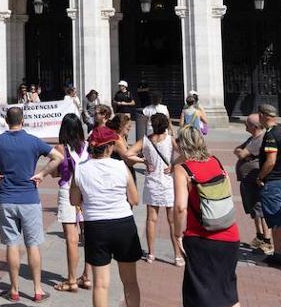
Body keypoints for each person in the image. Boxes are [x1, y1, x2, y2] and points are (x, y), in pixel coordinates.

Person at [0, 105, 63, 301]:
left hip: (5, 198)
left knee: (12, 245)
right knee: (33, 245)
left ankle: (14, 290)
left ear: (6, 121)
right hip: (29, 198)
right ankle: (37, 290)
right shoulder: (33, 141)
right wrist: (42, 174)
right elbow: (58, 157)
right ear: (22, 121)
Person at [71, 126, 142, 307]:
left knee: (101, 285)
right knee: (130, 281)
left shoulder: (80, 169)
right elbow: (134, 199)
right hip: (123, 224)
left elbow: (73, 200)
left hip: (96, 226)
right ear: (110, 146)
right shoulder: (120, 166)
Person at [173, 125, 241, 307]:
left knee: (200, 293)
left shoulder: (183, 170)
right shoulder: (216, 162)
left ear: (181, 144)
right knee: (228, 291)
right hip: (230, 234)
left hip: (201, 238)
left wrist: (177, 234)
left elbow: (180, 207)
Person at [53, 112, 91, 293]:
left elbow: (54, 172)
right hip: (87, 192)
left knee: (71, 238)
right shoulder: (88, 147)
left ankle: (71, 279)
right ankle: (87, 276)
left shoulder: (60, 148)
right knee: (89, 236)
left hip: (68, 190)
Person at [142, 112, 184, 265]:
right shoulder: (170, 140)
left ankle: (151, 254)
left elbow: (128, 153)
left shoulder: (146, 140)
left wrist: (144, 161)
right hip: (167, 182)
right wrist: (173, 165)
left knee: (151, 219)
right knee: (172, 221)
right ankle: (177, 255)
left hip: (152, 181)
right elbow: (185, 154)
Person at [256, 103, 281, 267]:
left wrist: (260, 176)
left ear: (263, 116)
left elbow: (270, 161)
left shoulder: (271, 135)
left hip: (273, 181)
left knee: (276, 218)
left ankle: (277, 254)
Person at [233, 113, 272, 254]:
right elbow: (237, 150)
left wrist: (244, 153)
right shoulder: (252, 138)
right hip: (247, 180)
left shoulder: (259, 140)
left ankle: (267, 241)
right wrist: (242, 153)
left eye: (247, 123)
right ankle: (259, 236)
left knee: (260, 210)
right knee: (254, 210)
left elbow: (242, 154)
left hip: (255, 179)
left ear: (254, 126)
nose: (245, 125)